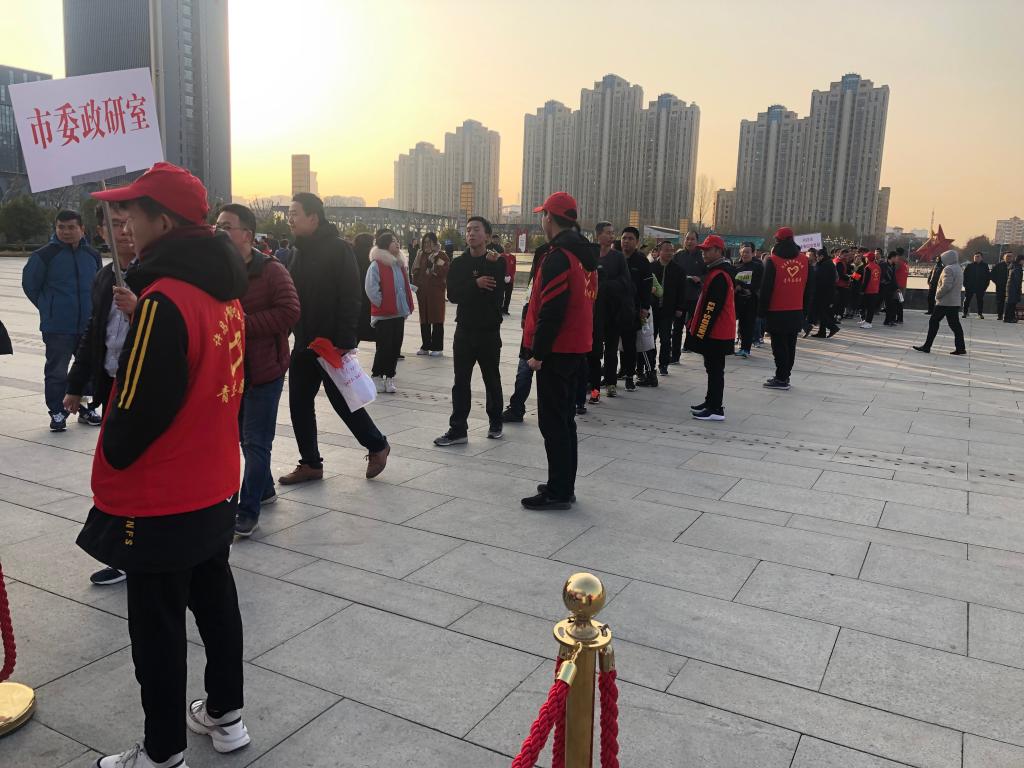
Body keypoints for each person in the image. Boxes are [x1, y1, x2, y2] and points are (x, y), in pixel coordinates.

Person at [79, 162, 251, 768]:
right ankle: (226, 715)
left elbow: (134, 414)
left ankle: (162, 752)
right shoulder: (225, 293)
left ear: (166, 221)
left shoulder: (163, 299)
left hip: (163, 496)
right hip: (213, 481)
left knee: (156, 627)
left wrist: (111, 449)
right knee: (216, 601)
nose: (123, 222)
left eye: (133, 211)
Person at [280, 193, 390, 483]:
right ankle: (311, 463)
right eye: (289, 214)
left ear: (313, 217)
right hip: (304, 341)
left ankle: (377, 445)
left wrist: (345, 340)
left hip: (330, 343)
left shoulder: (338, 249)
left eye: (294, 214)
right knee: (298, 403)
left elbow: (351, 296)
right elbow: (292, 297)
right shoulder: (297, 252)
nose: (290, 219)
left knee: (342, 400)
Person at [216, 204, 300, 537]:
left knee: (256, 441)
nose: (219, 232)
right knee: (244, 437)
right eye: (217, 226)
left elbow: (290, 311)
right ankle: (264, 489)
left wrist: (242, 325)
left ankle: (247, 510)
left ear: (247, 235)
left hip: (264, 369)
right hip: (231, 372)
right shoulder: (215, 270)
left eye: (227, 227)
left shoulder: (271, 270)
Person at [519, 192, 597, 510]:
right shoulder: (582, 255)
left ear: (549, 217)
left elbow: (552, 309)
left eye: (543, 215)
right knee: (565, 421)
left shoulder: (559, 257)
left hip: (557, 350)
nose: (542, 220)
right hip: (575, 347)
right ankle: (563, 484)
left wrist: (538, 353)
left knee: (553, 423)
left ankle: (558, 491)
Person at [21, 209, 102, 431]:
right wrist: (49, 308)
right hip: (57, 326)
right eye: (61, 227)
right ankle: (57, 411)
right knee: (56, 370)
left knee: (87, 369)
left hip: (87, 324)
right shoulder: (43, 256)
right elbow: (30, 286)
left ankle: (87, 407)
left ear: (82, 229)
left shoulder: (92, 255)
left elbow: (98, 285)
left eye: (71, 227)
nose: (66, 232)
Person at [434, 216, 507, 446]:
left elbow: (495, 296)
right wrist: (475, 284)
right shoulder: (459, 263)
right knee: (461, 381)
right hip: (464, 330)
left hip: (488, 331)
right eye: (468, 230)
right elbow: (454, 294)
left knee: (491, 378)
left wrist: (487, 271)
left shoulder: (497, 262)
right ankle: (458, 429)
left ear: (487, 235)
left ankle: (496, 422)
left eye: (476, 229)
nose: (471, 234)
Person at [685, 235, 735, 421]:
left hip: (717, 332)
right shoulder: (716, 272)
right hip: (716, 330)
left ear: (718, 251)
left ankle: (715, 408)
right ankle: (710, 402)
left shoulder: (719, 275)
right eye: (703, 250)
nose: (704, 253)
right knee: (712, 368)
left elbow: (711, 308)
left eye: (708, 250)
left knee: (715, 370)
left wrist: (701, 333)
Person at [758, 227, 811, 390]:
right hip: (796, 309)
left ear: (777, 241)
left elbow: (766, 289)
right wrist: (805, 309)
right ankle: (785, 375)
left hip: (777, 310)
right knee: (790, 344)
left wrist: (761, 311)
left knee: (779, 346)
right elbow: (809, 287)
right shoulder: (804, 260)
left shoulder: (772, 261)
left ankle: (781, 378)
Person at [365, 232, 414, 393]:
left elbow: (403, 285)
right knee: (384, 347)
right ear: (385, 244)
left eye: (397, 240)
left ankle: (390, 376)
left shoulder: (399, 264)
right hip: (384, 314)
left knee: (395, 347)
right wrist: (382, 303)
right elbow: (371, 288)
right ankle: (377, 376)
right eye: (393, 241)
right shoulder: (376, 265)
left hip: (398, 313)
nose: (397, 243)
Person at [595, 223, 631, 399]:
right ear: (598, 235)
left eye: (612, 233)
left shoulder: (618, 257)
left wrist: (605, 285)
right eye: (608, 233)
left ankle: (611, 383)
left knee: (611, 349)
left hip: (613, 311)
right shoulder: (591, 255)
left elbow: (626, 281)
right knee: (593, 351)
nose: (611, 236)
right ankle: (593, 386)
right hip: (594, 312)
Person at [914, 249, 966, 354]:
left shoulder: (948, 269)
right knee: (955, 325)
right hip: (954, 302)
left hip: (945, 302)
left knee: (934, 321)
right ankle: (961, 347)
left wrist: (938, 295)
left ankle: (927, 346)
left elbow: (946, 286)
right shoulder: (958, 268)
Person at [619, 227, 651, 392]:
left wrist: (645, 307)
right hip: (613, 308)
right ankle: (616, 374)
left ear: (637, 242)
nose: (626, 241)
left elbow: (647, 287)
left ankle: (630, 376)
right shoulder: (615, 257)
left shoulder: (642, 261)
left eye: (630, 238)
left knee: (630, 344)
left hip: (632, 309)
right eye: (624, 238)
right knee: (612, 344)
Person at [649, 240, 685, 376]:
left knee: (665, 339)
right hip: (652, 309)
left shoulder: (678, 270)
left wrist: (680, 307)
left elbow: (682, 291)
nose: (670, 253)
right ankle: (650, 364)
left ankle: (663, 364)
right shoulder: (651, 267)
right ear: (659, 251)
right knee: (650, 339)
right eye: (666, 250)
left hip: (668, 310)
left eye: (671, 250)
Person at [411, 232, 449, 356]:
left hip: (436, 292)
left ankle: (437, 347)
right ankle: (425, 346)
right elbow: (415, 272)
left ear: (435, 242)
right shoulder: (420, 255)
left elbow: (443, 271)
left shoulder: (441, 255)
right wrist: (416, 286)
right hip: (422, 292)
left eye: (429, 242)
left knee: (437, 318)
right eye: (425, 242)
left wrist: (434, 261)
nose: (427, 244)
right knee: (424, 319)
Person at [671, 231, 704, 360]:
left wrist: (700, 279)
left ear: (697, 241)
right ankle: (675, 355)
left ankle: (689, 345)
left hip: (695, 296)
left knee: (692, 324)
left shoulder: (702, 256)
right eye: (687, 239)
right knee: (677, 327)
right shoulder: (678, 255)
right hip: (680, 297)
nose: (689, 241)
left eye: (692, 239)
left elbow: (708, 273)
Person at [733, 242, 764, 356]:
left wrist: (745, 287)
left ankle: (746, 349)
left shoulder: (757, 266)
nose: (745, 254)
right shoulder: (736, 266)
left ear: (753, 253)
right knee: (739, 324)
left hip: (751, 300)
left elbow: (759, 283)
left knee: (748, 324)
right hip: (737, 299)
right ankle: (738, 344)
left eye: (747, 252)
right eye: (743, 252)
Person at [352, 233, 376, 344]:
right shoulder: (373, 258)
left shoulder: (351, 255)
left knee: (354, 335)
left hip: (355, 298)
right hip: (369, 299)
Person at [812, 247, 838, 337]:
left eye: (817, 256)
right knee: (822, 312)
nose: (816, 258)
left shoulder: (825, 265)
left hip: (824, 293)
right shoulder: (827, 263)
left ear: (822, 256)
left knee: (821, 312)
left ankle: (833, 327)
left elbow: (822, 279)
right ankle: (822, 332)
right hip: (826, 292)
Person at [962, 251, 990, 319]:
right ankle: (965, 313)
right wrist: (965, 285)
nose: (976, 258)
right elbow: (964, 276)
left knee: (980, 301)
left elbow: (988, 277)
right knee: (967, 300)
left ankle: (980, 314)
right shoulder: (969, 266)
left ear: (981, 258)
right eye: (975, 257)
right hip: (970, 287)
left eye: (978, 256)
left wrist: (985, 286)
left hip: (980, 287)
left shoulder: (985, 266)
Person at [859, 251, 882, 328]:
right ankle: (867, 321)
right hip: (875, 289)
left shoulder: (868, 267)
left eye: (866, 257)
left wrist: (862, 290)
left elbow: (865, 280)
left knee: (868, 307)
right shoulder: (878, 267)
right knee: (871, 307)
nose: (865, 258)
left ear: (868, 258)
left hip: (868, 289)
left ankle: (868, 323)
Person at [991, 251, 1013, 321]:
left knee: (1010, 302)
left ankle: (1008, 315)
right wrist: (998, 283)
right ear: (1004, 257)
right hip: (1000, 287)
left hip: (1011, 288)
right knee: (1000, 301)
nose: (1009, 258)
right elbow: (992, 275)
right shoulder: (998, 266)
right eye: (1007, 256)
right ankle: (1000, 315)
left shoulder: (1014, 266)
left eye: (1010, 256)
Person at [833, 248, 851, 322]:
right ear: (841, 254)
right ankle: (838, 316)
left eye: (847, 256)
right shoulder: (839, 262)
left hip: (838, 284)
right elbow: (840, 275)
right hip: (840, 285)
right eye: (845, 255)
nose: (847, 257)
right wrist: (849, 277)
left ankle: (837, 316)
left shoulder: (837, 260)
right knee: (840, 302)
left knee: (838, 302)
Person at [1004, 254, 1024, 323]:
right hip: (1013, 288)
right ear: (1020, 260)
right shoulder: (1017, 268)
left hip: (1011, 288)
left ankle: (1009, 318)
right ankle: (1009, 318)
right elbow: (1017, 280)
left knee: (1011, 303)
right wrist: (1019, 290)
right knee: (1011, 304)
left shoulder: (1013, 266)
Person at [894, 249, 909, 324]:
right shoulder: (905, 263)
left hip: (898, 286)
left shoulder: (898, 262)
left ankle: (898, 319)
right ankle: (900, 318)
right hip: (903, 286)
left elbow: (893, 271)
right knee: (900, 302)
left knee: (896, 302)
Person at [501, 242, 517, 315]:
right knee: (501, 295)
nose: (507, 248)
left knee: (508, 295)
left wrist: (510, 276)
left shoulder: (513, 257)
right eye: (506, 247)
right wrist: (503, 276)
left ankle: (505, 309)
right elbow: (499, 268)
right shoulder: (501, 256)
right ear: (503, 247)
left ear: (511, 248)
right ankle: (500, 309)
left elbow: (514, 268)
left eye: (509, 247)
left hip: (510, 280)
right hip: (502, 280)